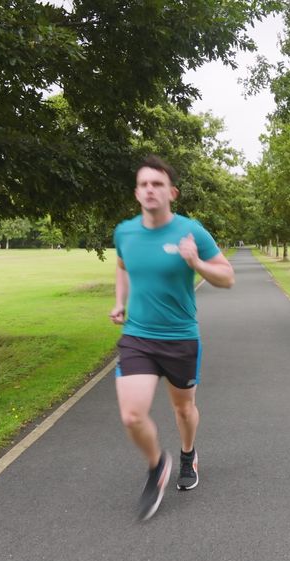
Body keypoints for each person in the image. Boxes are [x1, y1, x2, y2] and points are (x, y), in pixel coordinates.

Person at [110, 155, 235, 521]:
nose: (150, 189)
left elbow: (227, 278)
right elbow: (121, 267)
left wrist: (196, 263)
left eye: (158, 184)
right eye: (144, 184)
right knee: (132, 416)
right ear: (137, 192)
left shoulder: (191, 231)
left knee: (183, 409)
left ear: (172, 192)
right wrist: (119, 301)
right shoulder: (125, 232)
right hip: (138, 336)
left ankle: (187, 452)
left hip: (180, 337)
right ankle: (156, 465)